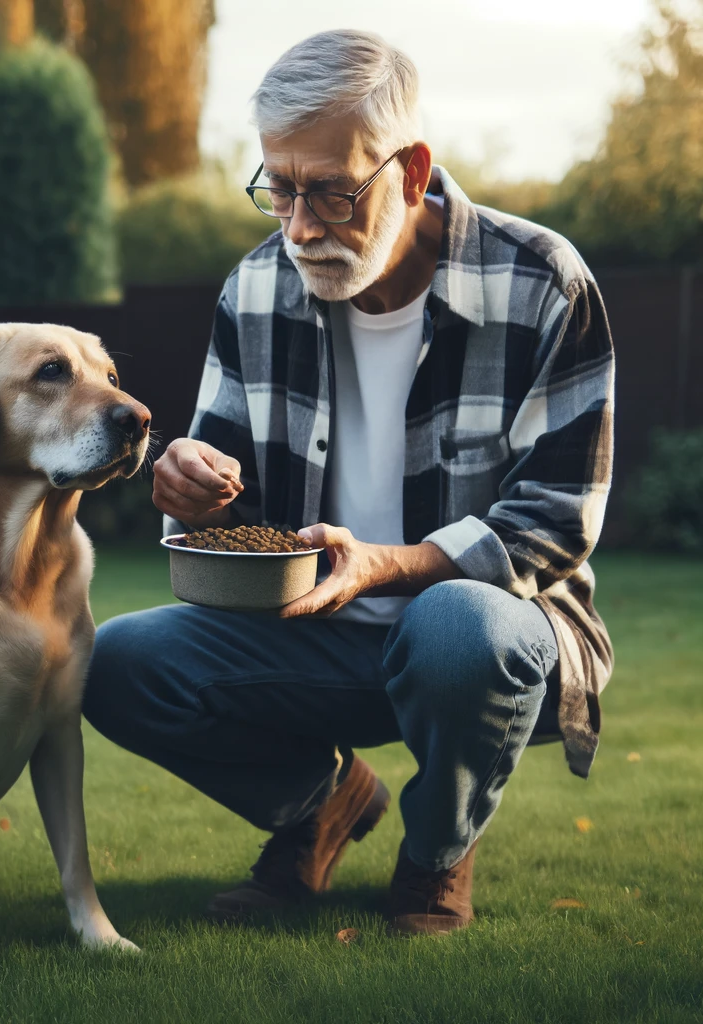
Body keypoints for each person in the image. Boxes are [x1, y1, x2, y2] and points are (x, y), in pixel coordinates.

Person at [83, 29, 614, 935]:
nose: (299, 226)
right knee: (114, 663)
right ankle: (320, 806)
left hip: (486, 641)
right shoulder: (253, 290)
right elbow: (225, 511)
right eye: (278, 190)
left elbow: (557, 522)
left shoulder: (542, 284)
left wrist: (385, 565)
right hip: (302, 633)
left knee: (454, 627)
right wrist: (188, 485)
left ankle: (435, 855)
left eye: (330, 190)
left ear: (411, 171)